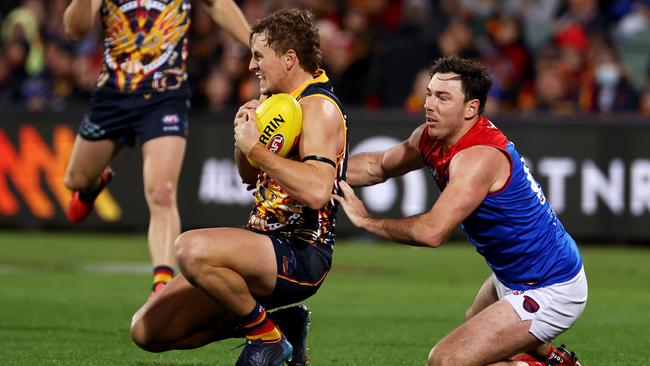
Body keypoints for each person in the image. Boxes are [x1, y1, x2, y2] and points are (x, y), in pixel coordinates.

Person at [333, 55, 587, 366]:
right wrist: (316, 168)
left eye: (442, 97)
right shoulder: (431, 137)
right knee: (475, 324)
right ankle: (551, 357)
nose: (429, 104)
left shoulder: (478, 157)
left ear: (471, 108)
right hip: (513, 275)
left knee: (447, 360)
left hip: (550, 285)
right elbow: (377, 166)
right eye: (429, 93)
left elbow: (431, 232)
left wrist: (367, 221)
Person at [130, 8, 348, 366]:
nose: (251, 66)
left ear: (289, 59)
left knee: (190, 249)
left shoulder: (318, 107)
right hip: (262, 245)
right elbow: (250, 178)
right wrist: (243, 140)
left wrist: (256, 149)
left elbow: (317, 192)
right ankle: (278, 325)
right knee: (147, 330)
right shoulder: (276, 103)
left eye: (259, 56)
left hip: (301, 253)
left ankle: (266, 339)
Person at [61, 0, 251, 297]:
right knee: (75, 179)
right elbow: (75, 30)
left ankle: (161, 286)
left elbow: (217, 5)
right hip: (114, 95)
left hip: (166, 95)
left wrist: (255, 43)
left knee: (162, 192)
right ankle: (92, 185)